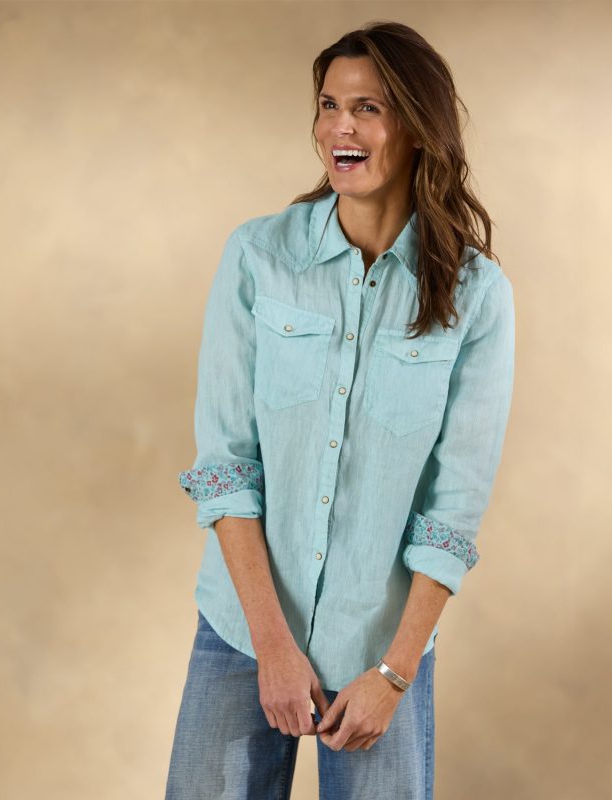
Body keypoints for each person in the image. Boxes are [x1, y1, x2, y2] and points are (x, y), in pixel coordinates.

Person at [165, 20, 515, 800]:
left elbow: (452, 509)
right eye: (329, 105)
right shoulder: (258, 257)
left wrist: (393, 673)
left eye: (368, 108)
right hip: (243, 630)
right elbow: (226, 466)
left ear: (416, 127)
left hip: (381, 653)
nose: (339, 128)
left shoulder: (477, 296)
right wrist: (273, 647)